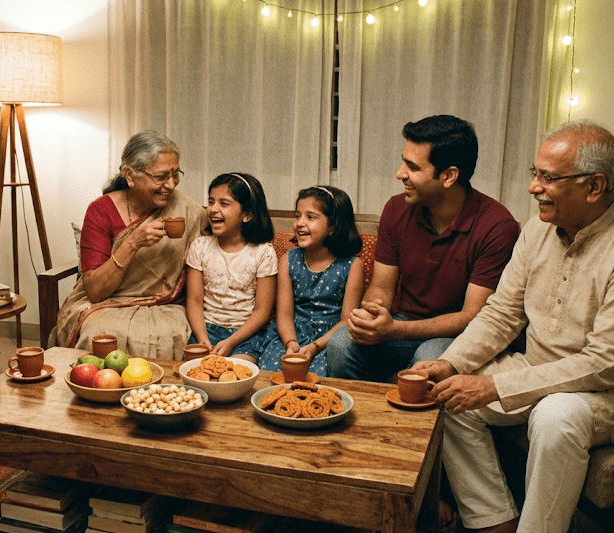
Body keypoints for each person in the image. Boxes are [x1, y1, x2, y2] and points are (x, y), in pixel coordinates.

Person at [413, 121, 614, 533]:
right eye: (534, 172)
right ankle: (496, 522)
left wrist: (496, 386)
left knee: (557, 414)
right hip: (538, 371)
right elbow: (502, 312)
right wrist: (453, 364)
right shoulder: (536, 230)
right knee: (448, 393)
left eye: (548, 177)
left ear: (595, 187)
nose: (534, 187)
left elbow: (606, 363)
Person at [326, 114, 519, 380]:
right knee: (340, 344)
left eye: (412, 167)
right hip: (402, 323)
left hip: (458, 335)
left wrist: (393, 329)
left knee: (427, 359)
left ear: (449, 176)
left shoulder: (496, 226)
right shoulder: (396, 208)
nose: (399, 173)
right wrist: (372, 314)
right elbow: (381, 286)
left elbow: (472, 316)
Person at [54, 131, 208, 360]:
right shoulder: (101, 211)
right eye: (161, 177)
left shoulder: (187, 209)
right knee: (99, 334)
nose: (171, 185)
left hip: (165, 303)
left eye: (175, 175)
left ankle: (159, 395)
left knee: (170, 334)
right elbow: (95, 291)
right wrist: (133, 242)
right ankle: (99, 388)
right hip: (105, 303)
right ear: (130, 175)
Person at [259, 186, 365, 376]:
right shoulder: (288, 260)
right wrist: (291, 344)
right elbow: (283, 315)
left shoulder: (352, 265)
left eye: (311, 217)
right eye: (297, 215)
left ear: (333, 225)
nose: (300, 223)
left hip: (329, 340)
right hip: (290, 335)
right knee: (272, 376)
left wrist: (315, 347)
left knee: (317, 381)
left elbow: (346, 321)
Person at [185, 172, 277, 363]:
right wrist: (202, 340)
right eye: (211, 202)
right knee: (196, 372)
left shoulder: (263, 252)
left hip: (247, 333)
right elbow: (194, 301)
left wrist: (231, 341)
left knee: (238, 373)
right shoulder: (200, 246)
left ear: (247, 215)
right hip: (207, 328)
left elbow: (262, 311)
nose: (213, 209)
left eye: (224, 203)